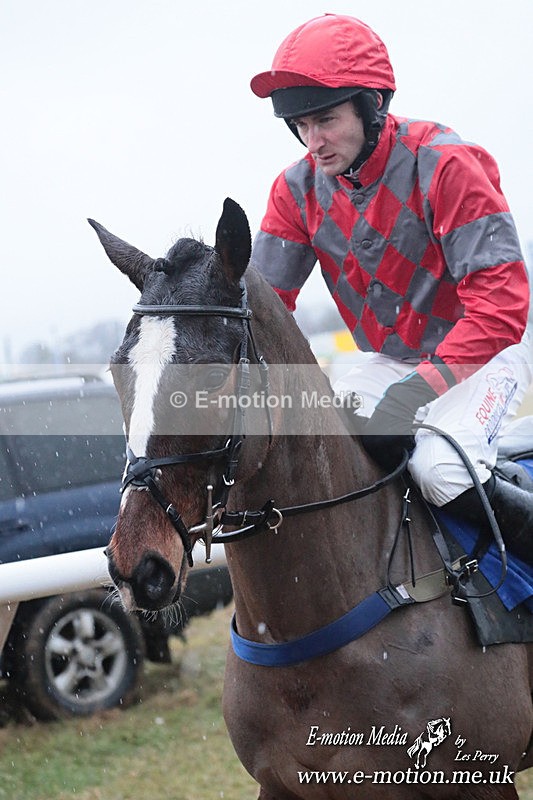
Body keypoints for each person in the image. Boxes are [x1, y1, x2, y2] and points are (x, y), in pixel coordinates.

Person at [249, 13, 533, 564]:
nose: (313, 141)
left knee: (441, 470)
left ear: (372, 104)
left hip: (487, 350)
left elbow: (501, 310)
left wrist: (411, 395)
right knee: (333, 448)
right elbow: (262, 308)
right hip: (394, 357)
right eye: (301, 125)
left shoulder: (446, 164)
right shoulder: (295, 190)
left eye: (326, 120)